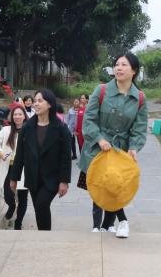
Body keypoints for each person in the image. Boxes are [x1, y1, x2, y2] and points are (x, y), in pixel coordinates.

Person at [79, 53, 148, 238]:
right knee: (101, 184)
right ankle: (113, 223)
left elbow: (139, 128)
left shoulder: (140, 98)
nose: (119, 68)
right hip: (98, 148)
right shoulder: (101, 90)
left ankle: (107, 225)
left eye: (124, 65)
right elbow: (89, 119)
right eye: (117, 64)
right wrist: (99, 139)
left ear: (134, 71)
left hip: (121, 150)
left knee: (116, 184)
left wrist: (134, 147)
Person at [10, 89, 72, 230]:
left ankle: (45, 235)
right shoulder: (27, 127)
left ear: (49, 104)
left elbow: (66, 157)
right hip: (33, 176)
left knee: (41, 204)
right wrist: (14, 178)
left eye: (40, 101)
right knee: (39, 209)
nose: (36, 104)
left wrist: (64, 181)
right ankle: (43, 236)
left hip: (52, 177)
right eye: (35, 101)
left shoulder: (61, 128)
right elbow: (20, 155)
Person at [0, 105, 29, 230]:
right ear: (12, 117)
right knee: (8, 194)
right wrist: (0, 152)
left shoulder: (30, 130)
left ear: (24, 116)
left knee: (23, 197)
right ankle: (12, 206)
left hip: (24, 169)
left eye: (20, 114)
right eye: (15, 114)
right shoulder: (6, 130)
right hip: (9, 167)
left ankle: (18, 223)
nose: (17, 117)